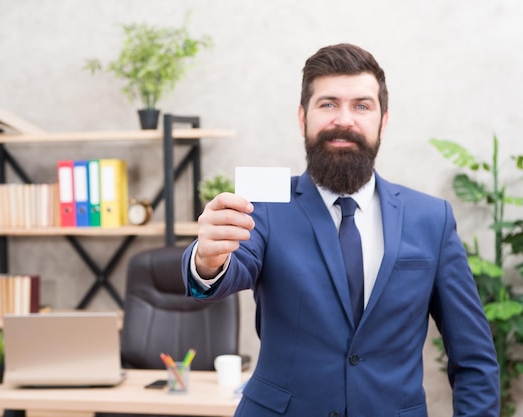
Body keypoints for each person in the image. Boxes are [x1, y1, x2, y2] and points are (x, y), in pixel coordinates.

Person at [181, 43, 500, 417]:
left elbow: (474, 358)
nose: (344, 119)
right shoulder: (264, 202)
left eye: (361, 105)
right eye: (328, 103)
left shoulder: (431, 218)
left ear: (383, 121)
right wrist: (206, 259)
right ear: (303, 118)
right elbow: (230, 267)